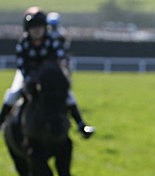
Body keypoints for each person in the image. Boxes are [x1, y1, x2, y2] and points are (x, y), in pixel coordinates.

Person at [0, 9, 94, 139]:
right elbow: (22, 65)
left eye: (39, 27)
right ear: (28, 29)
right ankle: (1, 122)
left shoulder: (52, 40)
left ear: (45, 27)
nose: (37, 30)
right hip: (27, 75)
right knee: (12, 94)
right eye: (33, 27)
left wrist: (61, 69)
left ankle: (81, 125)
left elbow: (62, 56)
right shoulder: (23, 43)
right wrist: (31, 80)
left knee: (68, 96)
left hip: (48, 77)